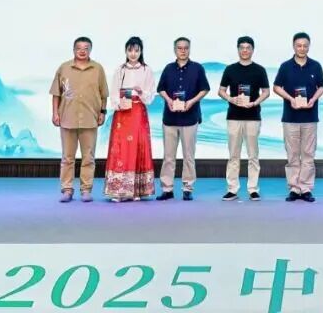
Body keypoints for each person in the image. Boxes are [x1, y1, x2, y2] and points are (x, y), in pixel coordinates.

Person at [50, 36, 109, 203]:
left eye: (86, 48)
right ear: (74, 50)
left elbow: (103, 94)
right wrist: (55, 113)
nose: (82, 51)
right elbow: (56, 93)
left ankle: (86, 190)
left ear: (90, 50)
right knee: (67, 157)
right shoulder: (64, 68)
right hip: (67, 118)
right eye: (79, 48)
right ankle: (67, 189)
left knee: (88, 157)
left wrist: (103, 112)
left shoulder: (97, 69)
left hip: (90, 118)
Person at [273, 32, 323, 202]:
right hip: (290, 118)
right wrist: (290, 99)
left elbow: (322, 86)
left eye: (305, 45)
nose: (302, 48)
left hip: (310, 118)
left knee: (308, 154)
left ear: (309, 47)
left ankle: (306, 188)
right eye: (299, 45)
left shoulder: (316, 66)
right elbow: (276, 87)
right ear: (293, 46)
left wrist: (313, 99)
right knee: (293, 155)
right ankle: (294, 188)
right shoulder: (285, 66)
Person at [156, 37, 210, 201]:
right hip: (170, 119)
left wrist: (191, 102)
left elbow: (204, 89)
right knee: (168, 156)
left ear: (189, 49)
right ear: (175, 50)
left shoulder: (197, 68)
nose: (183, 51)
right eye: (179, 48)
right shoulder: (168, 68)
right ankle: (167, 189)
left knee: (189, 156)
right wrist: (168, 100)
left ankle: (187, 188)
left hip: (190, 118)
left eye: (186, 48)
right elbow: (161, 89)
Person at [104, 36, 157, 202]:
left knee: (137, 147)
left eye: (136, 50)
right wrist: (118, 103)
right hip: (122, 113)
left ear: (141, 52)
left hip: (138, 111)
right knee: (120, 148)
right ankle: (118, 190)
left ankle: (136, 190)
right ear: (126, 51)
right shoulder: (120, 70)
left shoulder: (146, 70)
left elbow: (150, 95)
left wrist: (141, 92)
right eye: (130, 50)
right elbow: (113, 92)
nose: (133, 54)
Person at [218, 35, 270, 201]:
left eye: (248, 48)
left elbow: (266, 92)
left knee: (253, 155)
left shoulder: (260, 70)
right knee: (234, 155)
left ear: (252, 50)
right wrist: (231, 99)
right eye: (242, 48)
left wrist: (255, 102)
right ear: (238, 49)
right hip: (234, 117)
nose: (245, 50)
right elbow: (221, 90)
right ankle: (232, 189)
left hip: (253, 117)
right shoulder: (230, 69)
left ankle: (253, 189)